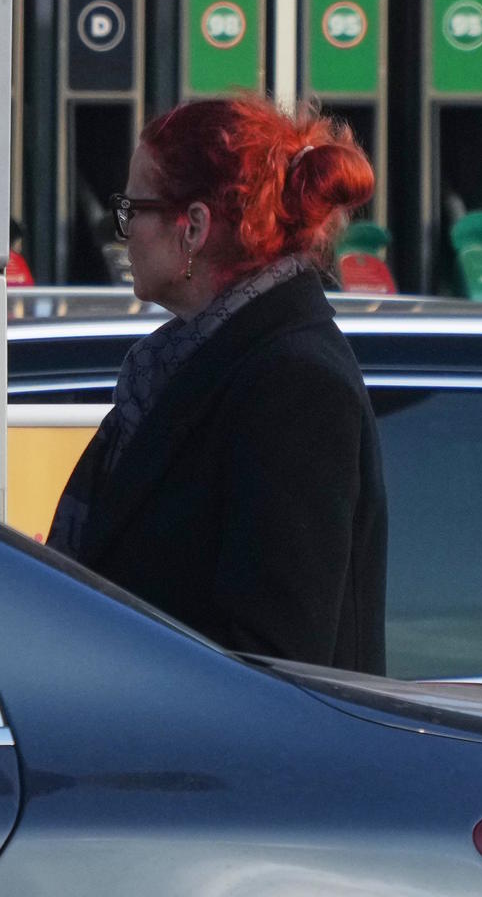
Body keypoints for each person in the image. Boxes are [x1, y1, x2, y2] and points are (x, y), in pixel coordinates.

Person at [46, 96, 388, 673]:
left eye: (133, 209)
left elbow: (274, 659)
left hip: (233, 756)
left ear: (194, 227)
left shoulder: (292, 381)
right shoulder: (197, 361)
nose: (120, 232)